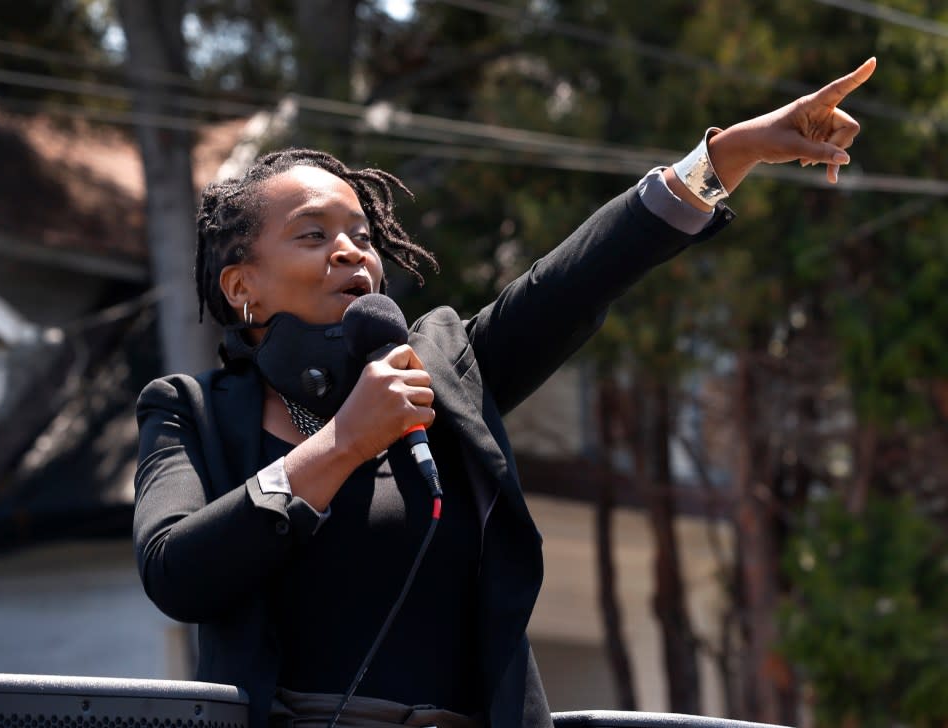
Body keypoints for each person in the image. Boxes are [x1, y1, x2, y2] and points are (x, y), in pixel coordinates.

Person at [133, 58, 876, 728]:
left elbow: (575, 280)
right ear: (243, 288)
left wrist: (729, 154)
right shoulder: (191, 413)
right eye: (311, 234)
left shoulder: (446, 375)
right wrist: (342, 444)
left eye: (362, 233)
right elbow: (175, 571)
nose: (351, 250)